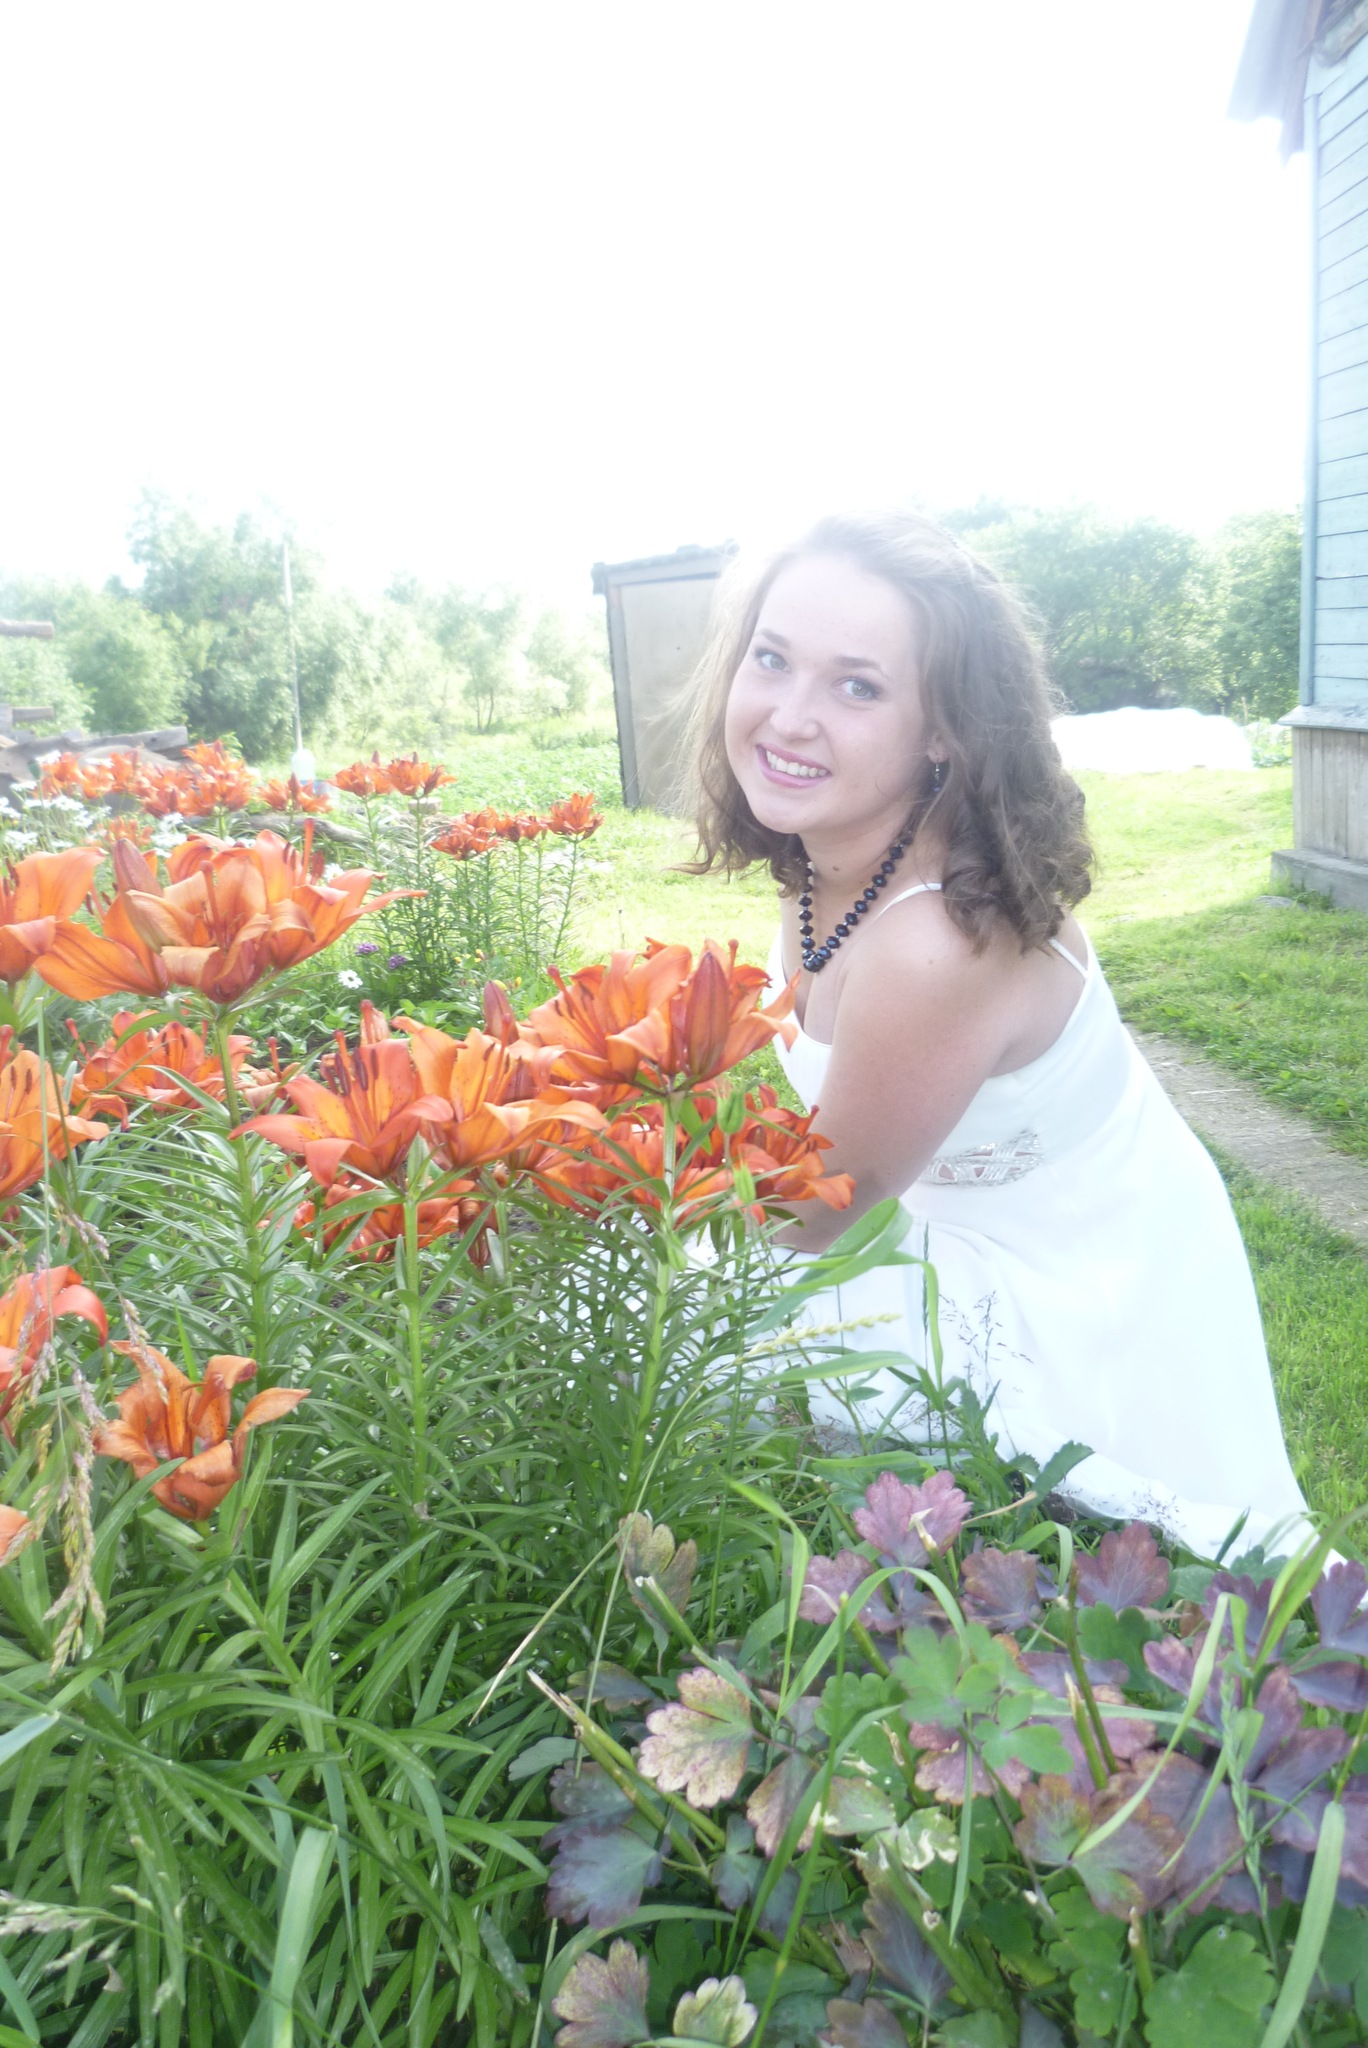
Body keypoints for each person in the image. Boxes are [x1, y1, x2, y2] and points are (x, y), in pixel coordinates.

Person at [687, 510, 1308, 1558]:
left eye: (857, 686)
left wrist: (604, 1189)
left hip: (1078, 1288)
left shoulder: (933, 946)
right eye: (773, 658)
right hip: (963, 1228)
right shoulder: (834, 854)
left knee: (657, 1315)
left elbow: (805, 1215)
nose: (789, 717)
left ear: (944, 728)